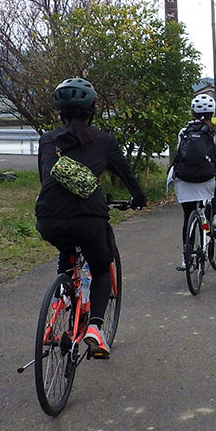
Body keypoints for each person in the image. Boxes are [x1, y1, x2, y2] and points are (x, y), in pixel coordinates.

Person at [35, 77, 147, 358]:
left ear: (60, 111)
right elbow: (127, 176)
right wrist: (140, 199)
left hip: (49, 218)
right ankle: (95, 327)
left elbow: (45, 179)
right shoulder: (104, 141)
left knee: (66, 248)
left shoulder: (48, 140)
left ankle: (62, 295)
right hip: (89, 218)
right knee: (100, 267)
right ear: (92, 110)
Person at [168, 94, 216, 269]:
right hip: (208, 179)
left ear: (192, 112)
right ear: (213, 113)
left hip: (184, 180)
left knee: (188, 216)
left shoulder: (183, 131)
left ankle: (187, 257)